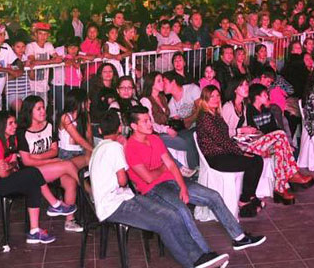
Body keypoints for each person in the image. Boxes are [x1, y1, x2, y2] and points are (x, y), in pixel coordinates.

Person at [88, 112, 231, 268]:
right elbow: (122, 181)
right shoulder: (114, 148)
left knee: (172, 214)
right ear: (120, 128)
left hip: (123, 198)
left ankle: (201, 257)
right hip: (114, 206)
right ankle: (194, 262)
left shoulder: (97, 149)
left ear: (100, 131)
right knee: (164, 223)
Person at [124, 107, 266, 253]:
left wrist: (183, 188)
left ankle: (240, 238)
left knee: (213, 196)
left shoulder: (154, 138)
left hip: (171, 181)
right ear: (134, 126)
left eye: (150, 120)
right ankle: (204, 254)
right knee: (183, 211)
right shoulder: (130, 148)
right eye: (145, 121)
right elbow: (148, 178)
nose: (150, 124)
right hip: (153, 190)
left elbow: (172, 165)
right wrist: (164, 169)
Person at [0, 111, 76, 245]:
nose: (14, 126)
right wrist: (11, 167)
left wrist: (10, 166)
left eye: (15, 123)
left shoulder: (11, 139)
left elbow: (14, 164)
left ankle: (34, 231)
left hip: (1, 179)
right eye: (10, 123)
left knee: (33, 182)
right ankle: (55, 204)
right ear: (1, 125)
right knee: (32, 173)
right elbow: (3, 174)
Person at [195, 86, 264, 218]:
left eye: (217, 96)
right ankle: (244, 202)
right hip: (215, 157)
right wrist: (240, 152)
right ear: (205, 99)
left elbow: (226, 139)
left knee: (257, 159)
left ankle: (249, 196)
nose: (215, 99)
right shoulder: (205, 117)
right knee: (253, 162)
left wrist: (240, 150)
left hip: (223, 153)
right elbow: (222, 141)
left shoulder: (215, 114)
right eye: (212, 96)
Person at [16, 95, 82, 232]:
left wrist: (39, 157)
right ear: (29, 112)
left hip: (49, 167)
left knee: (70, 182)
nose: (43, 111)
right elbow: (27, 161)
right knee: (68, 165)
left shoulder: (49, 125)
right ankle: (91, 193)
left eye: (43, 108)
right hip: (32, 172)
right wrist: (49, 161)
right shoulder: (22, 132)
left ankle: (70, 220)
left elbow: (54, 150)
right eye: (38, 109)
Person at [245, 84, 314, 204]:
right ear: (257, 97)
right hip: (254, 144)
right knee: (281, 135)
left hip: (268, 142)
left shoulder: (266, 109)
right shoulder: (249, 111)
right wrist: (266, 146)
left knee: (280, 146)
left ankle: (280, 188)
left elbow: (273, 128)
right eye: (264, 94)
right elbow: (253, 133)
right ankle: (293, 173)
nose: (267, 96)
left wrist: (284, 145)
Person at [139, 71, 198, 177]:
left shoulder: (163, 98)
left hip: (166, 129)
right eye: (159, 81)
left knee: (190, 137)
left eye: (162, 81)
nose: (162, 83)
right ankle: (184, 168)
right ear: (152, 84)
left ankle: (195, 167)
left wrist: (173, 120)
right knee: (183, 142)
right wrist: (165, 129)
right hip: (155, 133)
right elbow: (150, 123)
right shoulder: (146, 100)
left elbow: (166, 116)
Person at [56, 88, 94, 169]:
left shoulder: (85, 115)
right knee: (90, 159)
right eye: (87, 100)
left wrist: (91, 151)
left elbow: (89, 137)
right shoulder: (65, 117)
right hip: (67, 153)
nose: (90, 102)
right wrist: (95, 151)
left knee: (92, 159)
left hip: (82, 151)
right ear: (79, 102)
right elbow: (78, 139)